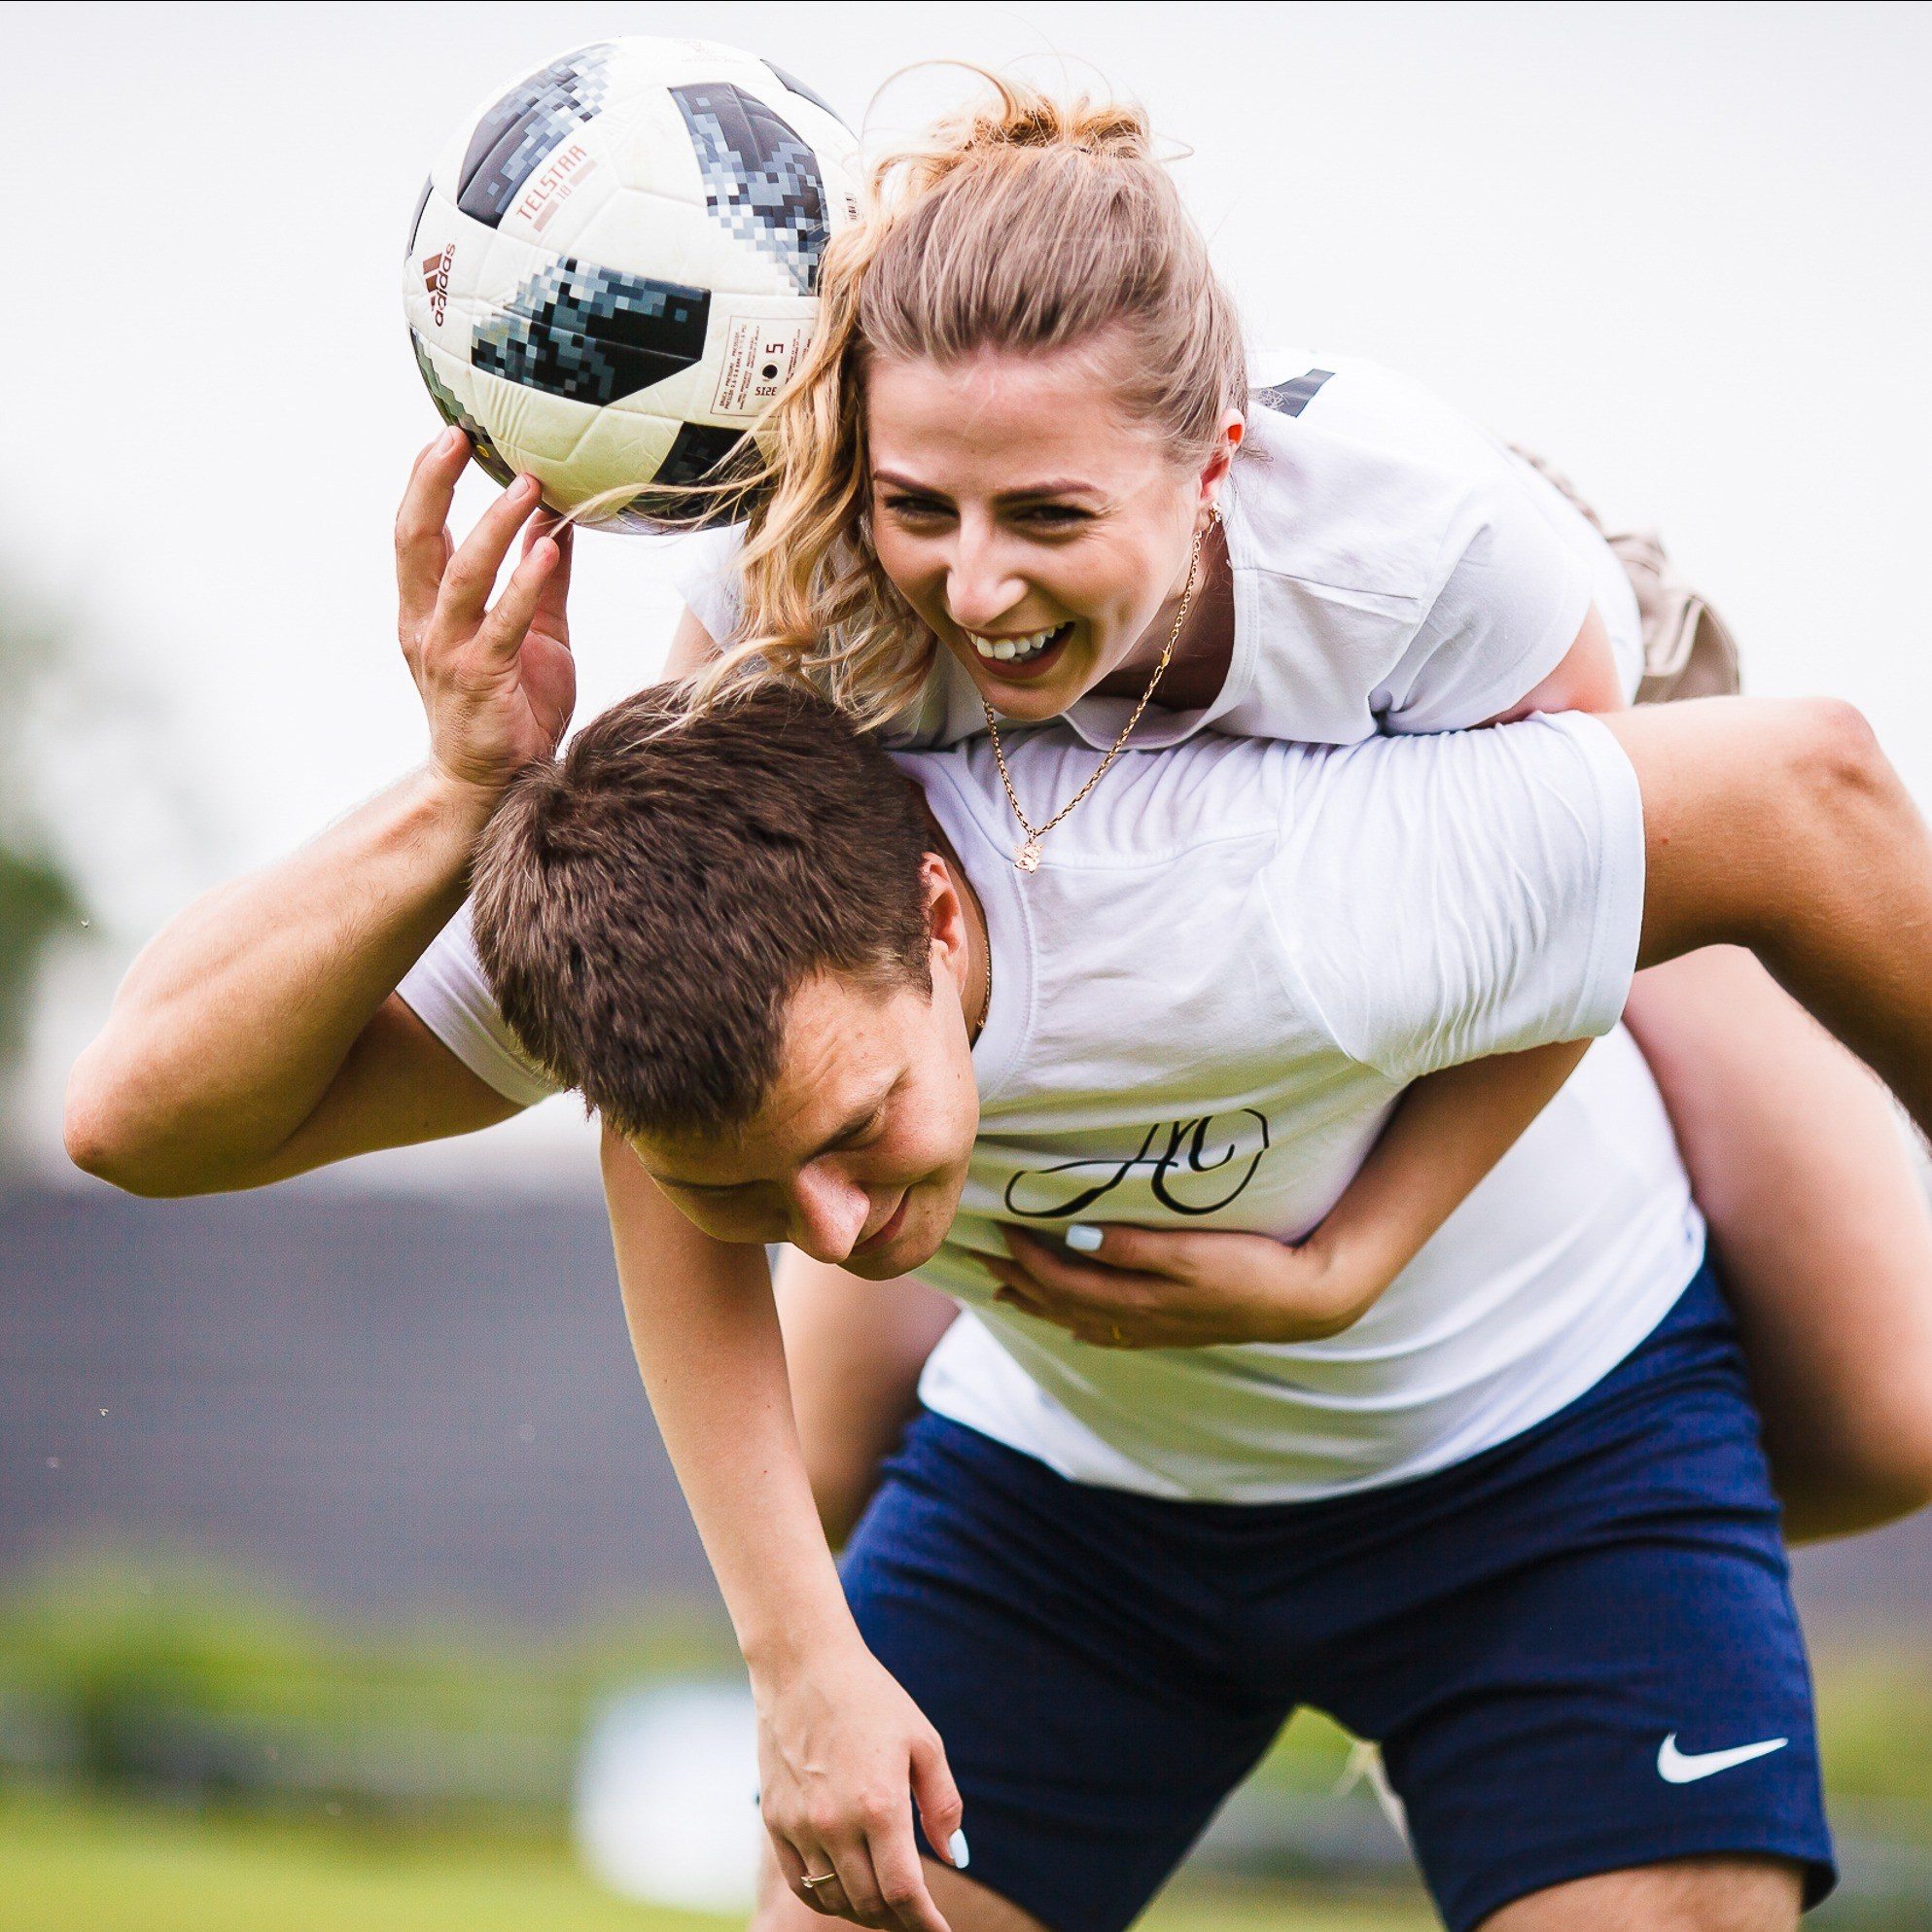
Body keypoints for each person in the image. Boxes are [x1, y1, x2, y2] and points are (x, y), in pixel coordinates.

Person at [642, 75, 1932, 1545]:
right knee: (808, 1477)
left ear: (1212, 470)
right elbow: (677, 979)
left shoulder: (1435, 567)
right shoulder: (789, 603)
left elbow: (1563, 914)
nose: (976, 588)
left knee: (1887, 1425)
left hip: (1560, 704)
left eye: (1048, 516)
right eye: (922, 508)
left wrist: (1352, 1263)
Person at [455, 667, 1932, 1932]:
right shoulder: (686, 951)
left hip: (1557, 1457)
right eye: (757, 1189)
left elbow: (1806, 780)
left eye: (856, 1131)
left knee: (1897, 1418)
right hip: (1069, 1510)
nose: (825, 1230)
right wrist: (804, 1664)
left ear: (939, 922)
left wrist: (1354, 1259)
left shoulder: (1280, 883)